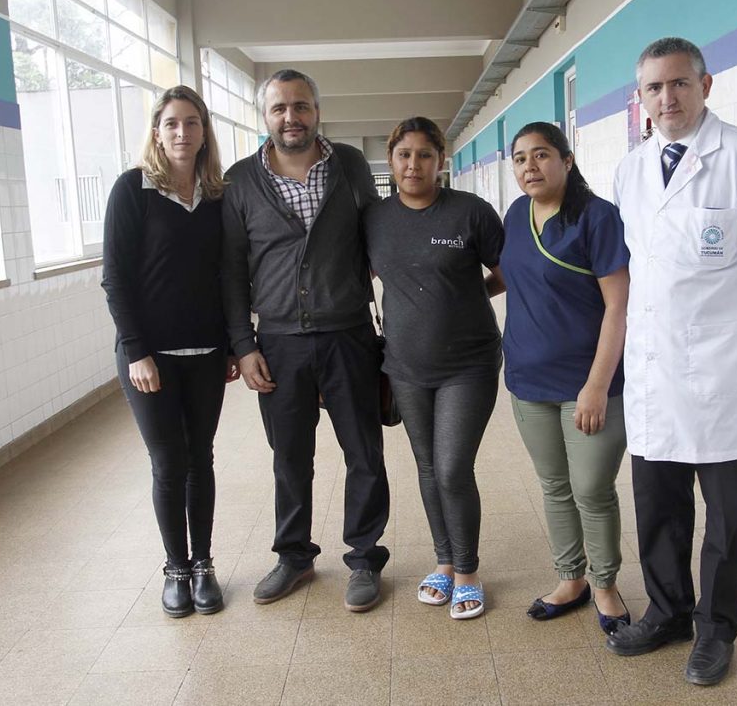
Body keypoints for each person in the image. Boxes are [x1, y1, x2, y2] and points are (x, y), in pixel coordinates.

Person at [609, 37, 737, 686]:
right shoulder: (631, 170)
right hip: (653, 374)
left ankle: (716, 630)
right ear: (640, 98)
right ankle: (668, 612)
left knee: (725, 519)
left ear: (705, 85)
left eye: (678, 83)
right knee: (658, 507)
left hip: (726, 379)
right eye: (653, 88)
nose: (666, 98)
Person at [220, 69, 390, 612]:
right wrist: (243, 345)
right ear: (264, 116)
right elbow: (230, 271)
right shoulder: (240, 180)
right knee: (290, 457)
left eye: (300, 106)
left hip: (349, 334)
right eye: (279, 108)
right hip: (278, 341)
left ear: (317, 111)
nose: (290, 117)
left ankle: (364, 558)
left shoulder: (351, 166)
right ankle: (293, 555)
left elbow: (378, 236)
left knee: (363, 452)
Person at [102, 85, 237, 618]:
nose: (182, 132)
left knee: (200, 458)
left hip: (206, 352)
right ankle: (175, 568)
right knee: (167, 462)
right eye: (172, 123)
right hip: (149, 358)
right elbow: (115, 278)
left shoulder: (218, 196)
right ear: (157, 133)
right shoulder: (133, 189)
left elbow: (228, 276)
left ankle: (203, 564)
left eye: (192, 123)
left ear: (204, 132)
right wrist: (137, 351)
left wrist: (233, 345)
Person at [364, 117, 503, 619]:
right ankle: (444, 561)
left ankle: (467, 570)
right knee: (427, 467)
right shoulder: (374, 218)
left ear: (441, 161)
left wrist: (465, 296)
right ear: (391, 160)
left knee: (451, 467)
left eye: (425, 155)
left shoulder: (470, 212)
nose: (413, 165)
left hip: (469, 363)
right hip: (405, 366)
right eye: (404, 155)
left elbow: (506, 272)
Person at [500, 122, 631, 636]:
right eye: (520, 159)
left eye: (541, 155)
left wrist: (596, 385)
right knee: (555, 486)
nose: (529, 166)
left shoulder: (597, 217)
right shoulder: (516, 215)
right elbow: (510, 276)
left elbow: (618, 306)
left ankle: (605, 584)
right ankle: (571, 578)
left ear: (567, 160)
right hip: (528, 380)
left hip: (587, 384)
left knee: (591, 489)